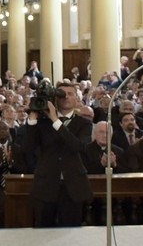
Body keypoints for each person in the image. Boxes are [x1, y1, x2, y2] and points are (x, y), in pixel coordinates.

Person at [23, 82, 92, 227]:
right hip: (46, 186)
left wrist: (55, 120)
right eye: (61, 94)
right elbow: (28, 149)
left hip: (72, 187)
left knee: (71, 232)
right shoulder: (42, 123)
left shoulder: (84, 124)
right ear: (55, 99)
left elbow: (77, 146)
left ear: (77, 100)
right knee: (43, 230)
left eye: (70, 94)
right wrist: (32, 119)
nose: (66, 97)